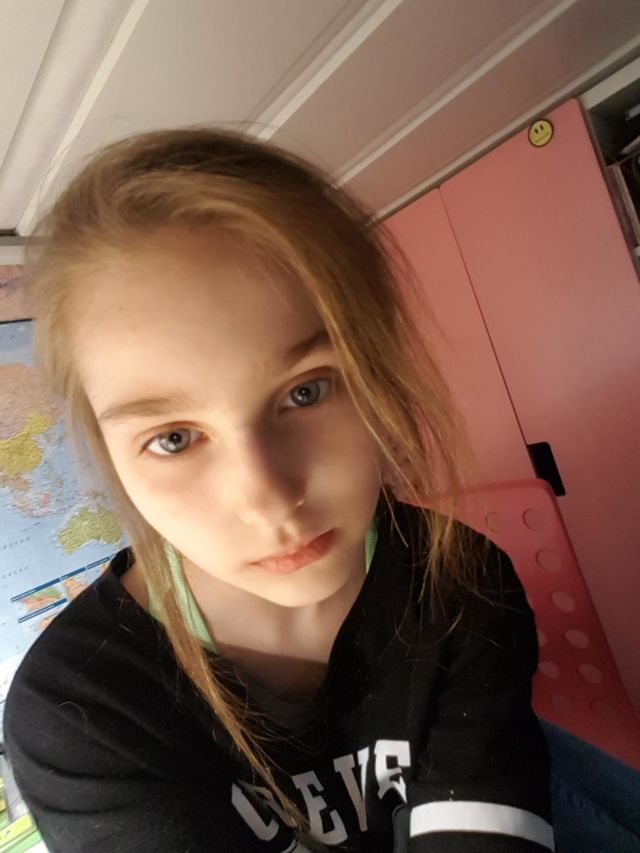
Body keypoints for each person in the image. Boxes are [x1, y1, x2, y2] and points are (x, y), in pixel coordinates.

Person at [2, 126, 560, 852]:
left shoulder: (461, 583)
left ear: (379, 369)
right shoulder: (79, 711)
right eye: (174, 437)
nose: (267, 499)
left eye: (307, 391)